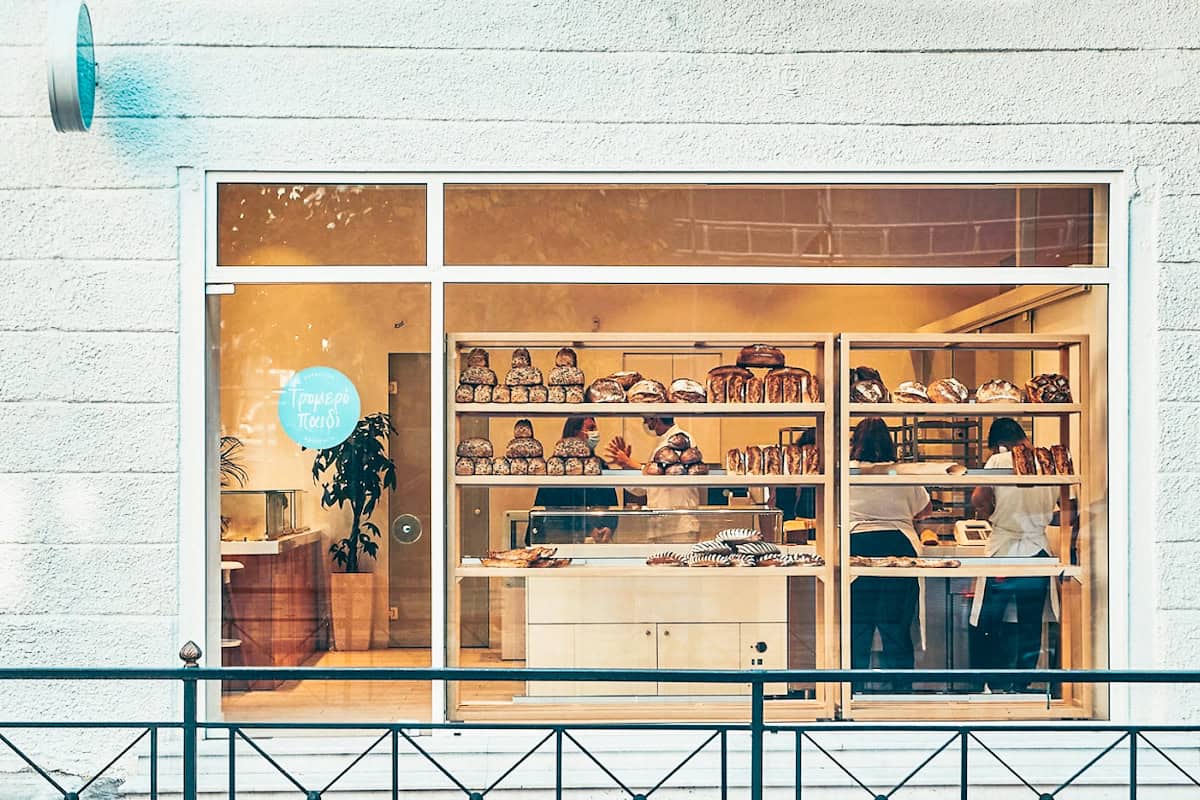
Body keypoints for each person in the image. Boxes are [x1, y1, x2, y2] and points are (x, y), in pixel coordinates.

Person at [969, 418, 1060, 692]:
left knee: (989, 620)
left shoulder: (998, 461)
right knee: (1030, 623)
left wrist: (992, 514)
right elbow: (1064, 503)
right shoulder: (1048, 461)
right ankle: (1022, 683)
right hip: (1037, 551)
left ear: (998, 444)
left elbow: (979, 499)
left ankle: (990, 681)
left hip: (1003, 551)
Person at [847, 417, 932, 692]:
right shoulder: (902, 472)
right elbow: (925, 509)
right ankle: (901, 690)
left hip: (856, 545)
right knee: (895, 626)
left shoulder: (847, 472)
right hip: (899, 545)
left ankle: (852, 689)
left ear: (855, 442)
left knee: (858, 626)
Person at [529, 417, 619, 544]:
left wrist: (608, 528)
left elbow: (611, 506)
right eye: (591, 429)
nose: (595, 433)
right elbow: (552, 512)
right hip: (561, 542)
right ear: (575, 433)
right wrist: (586, 529)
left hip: (595, 545)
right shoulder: (557, 467)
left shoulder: (599, 465)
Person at [604, 415, 702, 510]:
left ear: (656, 419)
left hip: (680, 517)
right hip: (663, 515)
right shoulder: (662, 444)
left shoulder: (681, 440)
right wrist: (626, 465)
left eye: (646, 420)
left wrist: (629, 463)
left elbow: (671, 473)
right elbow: (645, 487)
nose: (646, 424)